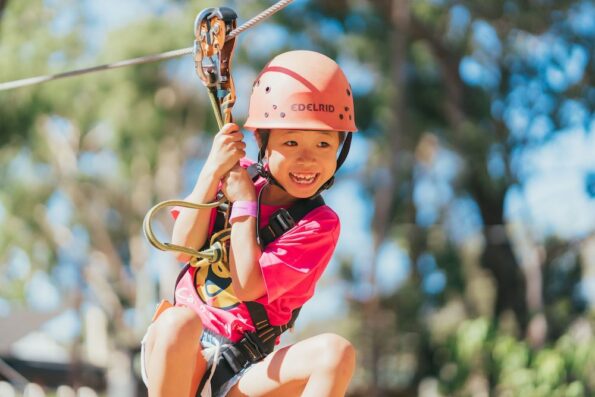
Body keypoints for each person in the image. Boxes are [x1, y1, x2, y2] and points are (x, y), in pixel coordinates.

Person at [141, 50, 357, 397]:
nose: (308, 159)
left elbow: (246, 285)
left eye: (323, 144)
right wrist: (212, 169)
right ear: (262, 141)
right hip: (182, 351)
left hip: (243, 369)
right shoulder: (235, 175)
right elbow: (184, 248)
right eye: (290, 142)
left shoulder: (319, 224)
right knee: (178, 322)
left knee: (336, 353)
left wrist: (244, 203)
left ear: (340, 148)